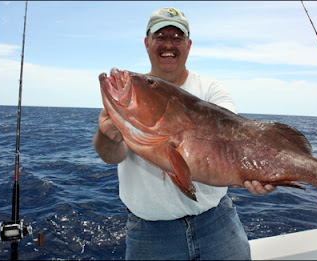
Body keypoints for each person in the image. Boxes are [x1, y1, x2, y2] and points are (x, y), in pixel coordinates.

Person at [93, 7, 276, 260]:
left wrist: (261, 172)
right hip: (150, 234)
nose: (169, 44)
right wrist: (107, 136)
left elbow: (234, 136)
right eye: (160, 37)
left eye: (177, 37)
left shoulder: (211, 89)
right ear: (147, 43)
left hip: (217, 223)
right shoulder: (131, 100)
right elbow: (112, 156)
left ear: (188, 45)